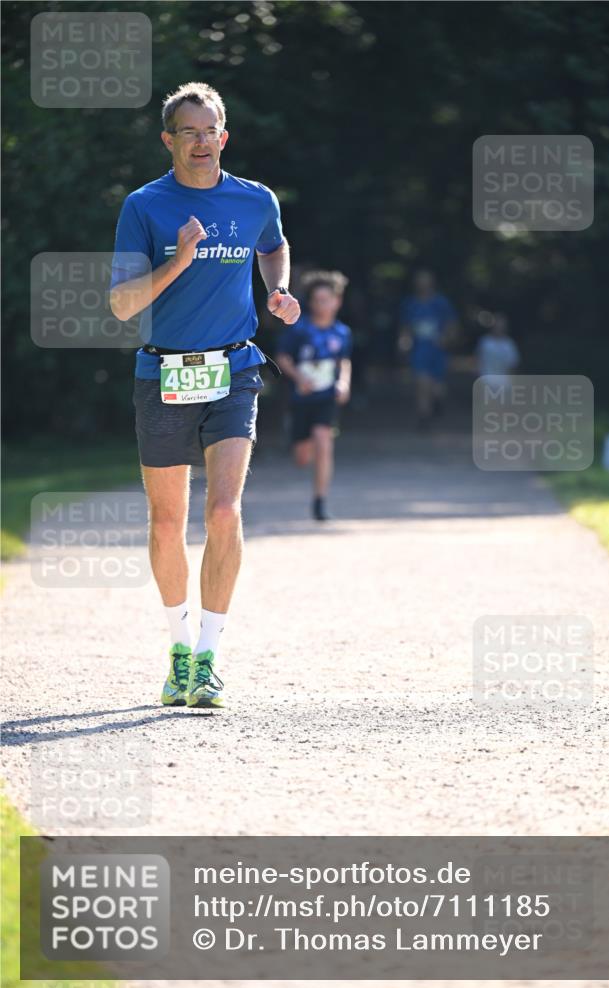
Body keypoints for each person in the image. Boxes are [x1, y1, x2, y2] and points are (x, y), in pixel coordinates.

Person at [110, 82, 300, 708]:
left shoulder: (254, 200)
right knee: (168, 522)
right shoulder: (145, 206)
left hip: (233, 370)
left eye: (209, 129)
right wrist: (179, 260)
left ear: (225, 135)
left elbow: (274, 246)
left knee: (223, 512)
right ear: (168, 140)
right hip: (162, 375)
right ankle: (180, 649)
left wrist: (277, 289)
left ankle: (211, 657)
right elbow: (122, 304)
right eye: (187, 131)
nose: (200, 140)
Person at [275, 271, 352, 521]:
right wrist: (299, 378)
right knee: (302, 457)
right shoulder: (299, 329)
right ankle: (296, 437)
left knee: (324, 440)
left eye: (327, 299)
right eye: (317, 300)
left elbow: (344, 360)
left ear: (337, 301)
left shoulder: (342, 332)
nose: (322, 305)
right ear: (310, 302)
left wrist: (343, 383)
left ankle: (320, 501)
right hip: (301, 398)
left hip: (326, 397)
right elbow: (283, 357)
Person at [398, 269, 459, 428]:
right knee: (421, 383)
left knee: (437, 388)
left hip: (437, 350)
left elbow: (452, 325)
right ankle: (423, 417)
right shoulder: (410, 304)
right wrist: (404, 343)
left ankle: (437, 402)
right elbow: (406, 328)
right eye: (419, 280)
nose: (422, 284)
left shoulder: (441, 303)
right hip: (419, 350)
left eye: (425, 280)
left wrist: (447, 338)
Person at [476, 312, 520, 390]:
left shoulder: (509, 344)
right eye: (497, 324)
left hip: (504, 384)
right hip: (486, 382)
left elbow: (513, 365)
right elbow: (477, 361)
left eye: (501, 325)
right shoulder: (485, 342)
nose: (499, 327)